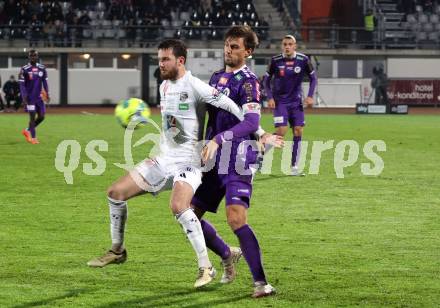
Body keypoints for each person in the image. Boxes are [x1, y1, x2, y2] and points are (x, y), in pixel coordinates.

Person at [87, 39, 247, 288]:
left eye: (165, 59)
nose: (160, 63)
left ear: (180, 60)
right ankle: (118, 251)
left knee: (179, 207)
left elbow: (231, 106)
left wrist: (254, 129)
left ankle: (206, 267)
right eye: (159, 59)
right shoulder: (163, 86)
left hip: (189, 162)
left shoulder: (195, 86)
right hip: (162, 160)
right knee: (115, 193)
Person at [191, 25, 278, 298]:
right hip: (212, 158)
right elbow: (204, 114)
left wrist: (219, 139)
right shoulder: (216, 77)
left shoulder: (250, 82)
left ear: (248, 52)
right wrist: (200, 143)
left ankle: (261, 283)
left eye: (235, 46)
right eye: (227, 45)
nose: (229, 50)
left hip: (239, 155)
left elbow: (251, 122)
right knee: (188, 216)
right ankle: (228, 253)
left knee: (236, 218)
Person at [262, 34, 317, 176]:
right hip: (280, 102)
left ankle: (294, 167)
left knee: (298, 131)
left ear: (295, 46)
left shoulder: (303, 60)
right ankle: (259, 157)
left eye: (290, 44)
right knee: (281, 131)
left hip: (296, 102)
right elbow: (266, 81)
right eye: (285, 44)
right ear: (282, 46)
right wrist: (269, 97)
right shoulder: (275, 61)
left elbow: (313, 78)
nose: (287, 47)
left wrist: (310, 96)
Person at [19, 49, 50, 144]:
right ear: (29, 57)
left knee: (42, 117)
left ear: (37, 56)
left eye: (35, 55)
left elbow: (45, 82)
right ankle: (33, 138)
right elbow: (22, 85)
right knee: (32, 117)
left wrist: (47, 94)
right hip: (29, 98)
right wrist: (24, 97)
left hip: (39, 97)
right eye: (31, 56)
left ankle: (27, 130)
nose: (33, 57)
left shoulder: (42, 68)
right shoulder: (24, 69)